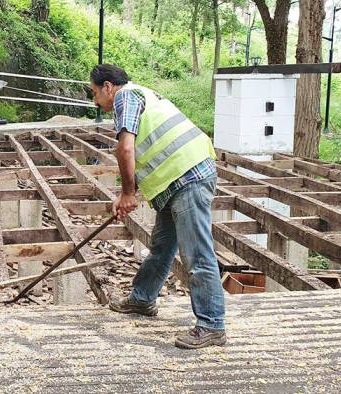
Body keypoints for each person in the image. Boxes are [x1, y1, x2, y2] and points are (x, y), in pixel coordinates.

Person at [89, 64, 226, 349]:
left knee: (197, 254)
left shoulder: (125, 97)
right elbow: (148, 152)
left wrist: (128, 193)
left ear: (108, 87)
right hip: (175, 180)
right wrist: (129, 191)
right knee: (162, 246)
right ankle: (142, 298)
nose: (95, 101)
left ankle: (212, 324)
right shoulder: (142, 94)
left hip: (188, 176)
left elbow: (125, 148)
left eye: (94, 93)